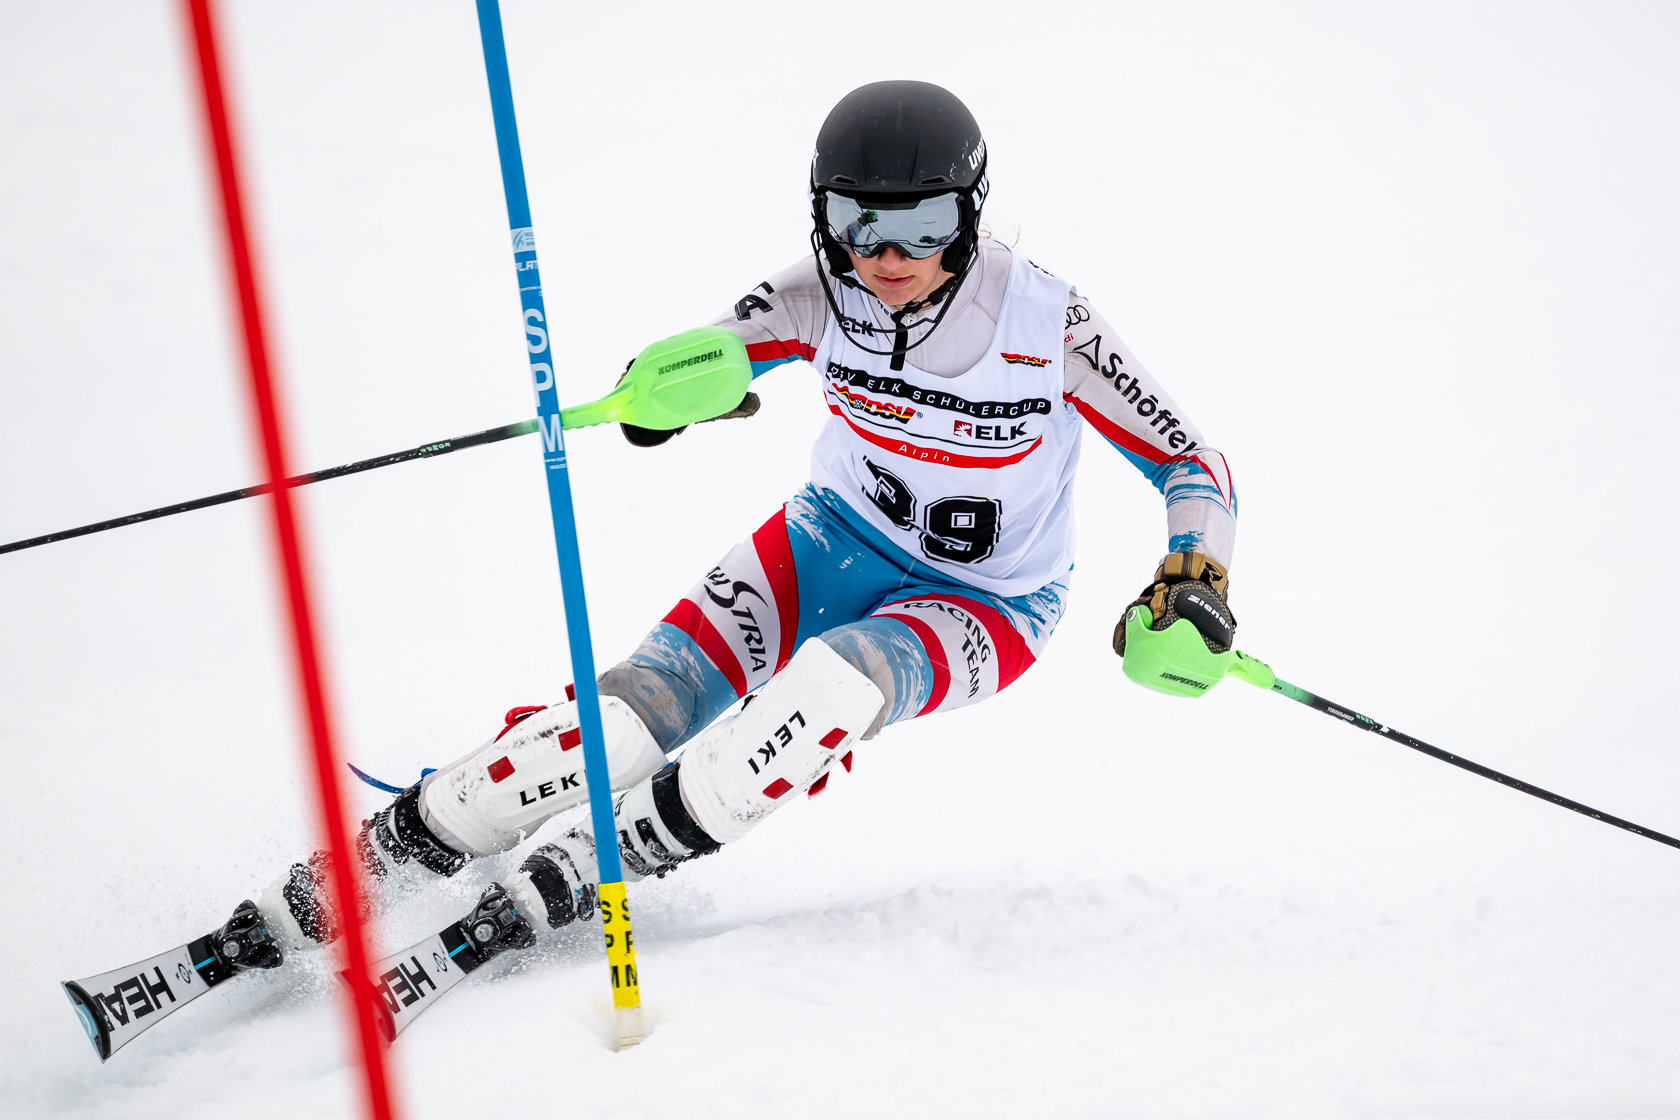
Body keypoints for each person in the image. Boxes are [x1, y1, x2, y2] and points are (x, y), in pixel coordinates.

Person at [218, 80, 1241, 970]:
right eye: (857, 221)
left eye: (924, 224)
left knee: (837, 682)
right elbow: (708, 359)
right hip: (827, 541)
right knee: (638, 708)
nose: (888, 254)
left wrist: (1194, 572)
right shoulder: (814, 295)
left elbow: (1192, 460)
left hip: (990, 602)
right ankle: (411, 838)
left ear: (970, 215)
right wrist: (657, 393)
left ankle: (605, 856)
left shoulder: (1046, 323)